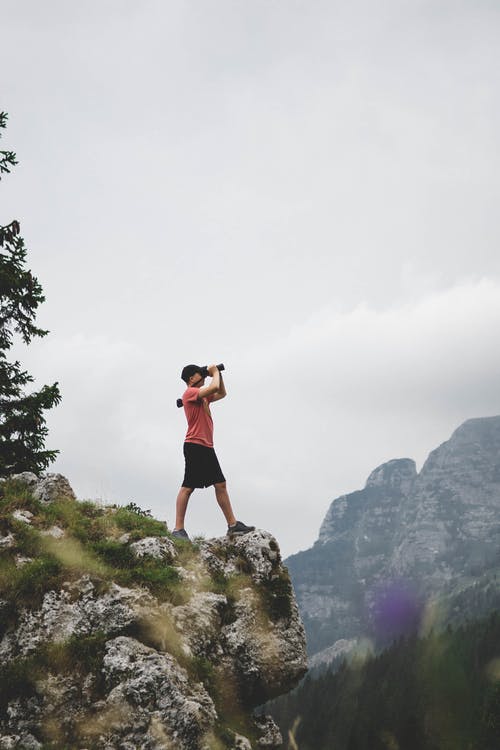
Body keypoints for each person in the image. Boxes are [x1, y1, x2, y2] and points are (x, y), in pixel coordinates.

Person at [172, 363, 255, 541]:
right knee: (188, 487)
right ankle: (178, 529)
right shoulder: (190, 393)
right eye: (198, 374)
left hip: (207, 446)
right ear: (191, 379)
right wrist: (214, 372)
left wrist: (216, 375)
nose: (201, 376)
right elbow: (214, 387)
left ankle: (233, 525)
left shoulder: (203, 397)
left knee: (220, 484)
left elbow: (221, 392)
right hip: (194, 445)